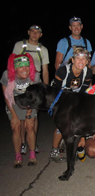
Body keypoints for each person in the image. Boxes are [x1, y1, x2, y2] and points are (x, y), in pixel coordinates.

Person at [49, 47, 93, 162]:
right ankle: (54, 150)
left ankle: (77, 142)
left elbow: (83, 92)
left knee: (80, 119)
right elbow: (55, 91)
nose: (81, 62)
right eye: (78, 58)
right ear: (72, 60)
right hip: (60, 97)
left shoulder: (88, 72)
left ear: (87, 61)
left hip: (76, 97)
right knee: (62, 124)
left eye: (84, 59)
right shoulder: (63, 71)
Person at [12, 25, 49, 155]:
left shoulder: (43, 49)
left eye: (37, 32)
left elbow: (45, 70)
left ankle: (33, 143)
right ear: (28, 32)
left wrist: (46, 89)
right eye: (32, 31)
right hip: (20, 80)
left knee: (33, 115)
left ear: (41, 35)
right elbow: (12, 64)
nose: (34, 34)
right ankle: (22, 143)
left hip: (36, 81)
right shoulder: (19, 45)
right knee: (21, 115)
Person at [0, 53, 41, 168]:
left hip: (30, 103)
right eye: (21, 66)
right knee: (16, 128)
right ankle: (18, 157)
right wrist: (14, 116)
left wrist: (29, 115)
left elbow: (35, 96)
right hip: (14, 103)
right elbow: (7, 96)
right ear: (15, 68)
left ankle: (32, 155)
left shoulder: (35, 75)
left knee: (30, 126)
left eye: (27, 66)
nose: (25, 69)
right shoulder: (7, 75)